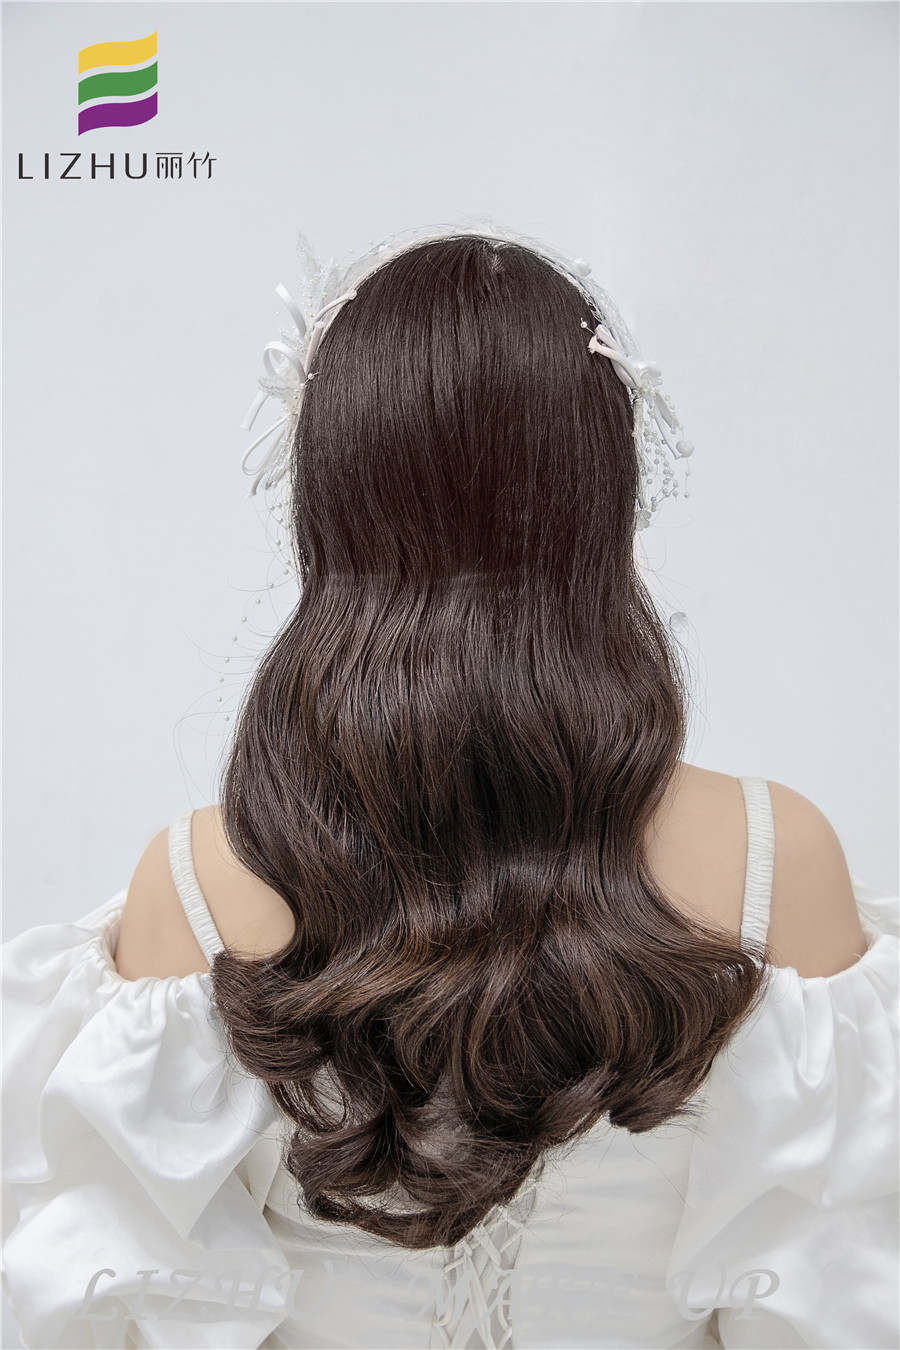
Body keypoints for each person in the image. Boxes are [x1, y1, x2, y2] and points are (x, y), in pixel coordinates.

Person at [2, 227, 897, 1350]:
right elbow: (832, 1306)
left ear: (328, 491)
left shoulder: (198, 879)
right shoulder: (774, 856)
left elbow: (125, 1311)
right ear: (605, 484)